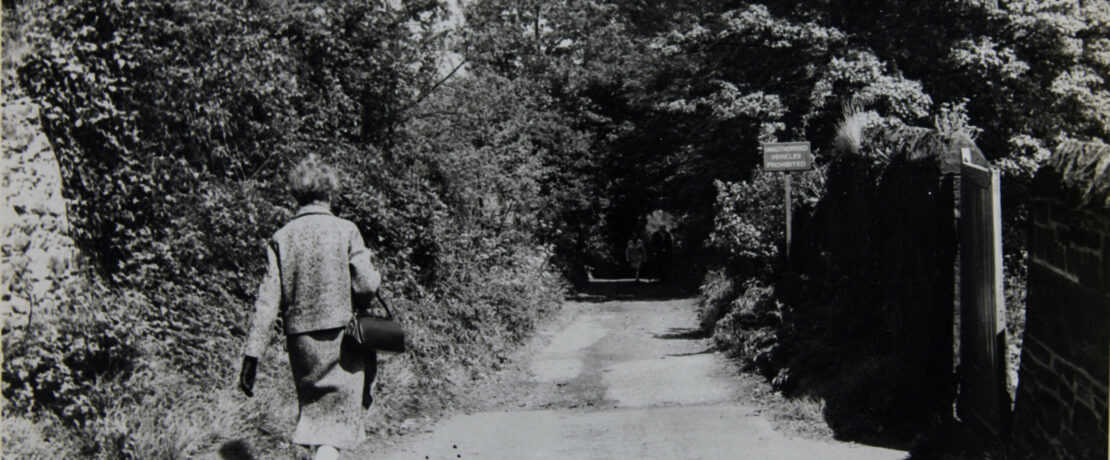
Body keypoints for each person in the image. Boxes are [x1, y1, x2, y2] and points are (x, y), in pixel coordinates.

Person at [238, 155, 381, 460]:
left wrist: (253, 353)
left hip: (301, 342)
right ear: (329, 192)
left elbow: (267, 301)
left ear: (297, 193)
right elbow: (366, 286)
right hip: (345, 338)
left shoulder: (282, 237)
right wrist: (375, 276)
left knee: (317, 417)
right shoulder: (346, 230)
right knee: (336, 427)